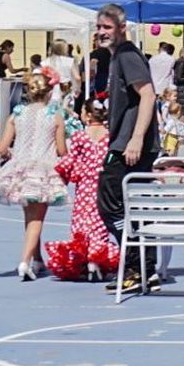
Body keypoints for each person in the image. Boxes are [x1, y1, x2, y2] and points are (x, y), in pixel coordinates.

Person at [95, 5, 161, 295]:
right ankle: (144, 268)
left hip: (129, 145)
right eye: (99, 27)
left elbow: (148, 94)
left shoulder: (128, 55)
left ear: (122, 28)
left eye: (107, 28)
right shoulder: (117, 57)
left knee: (110, 203)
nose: (101, 33)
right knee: (136, 207)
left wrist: (136, 138)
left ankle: (135, 265)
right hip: (123, 140)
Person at [0, 72, 67, 280]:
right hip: (43, 169)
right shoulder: (54, 115)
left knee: (29, 216)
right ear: (49, 92)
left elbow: (1, 147)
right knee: (37, 218)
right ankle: (25, 261)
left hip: (21, 168)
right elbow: (62, 150)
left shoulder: (17, 114)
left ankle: (37, 258)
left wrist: (10, 154)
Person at [43, 101, 119, 281]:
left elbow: (69, 161)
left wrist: (59, 174)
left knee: (82, 222)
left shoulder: (80, 136)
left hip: (84, 187)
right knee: (100, 222)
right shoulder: (109, 137)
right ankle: (96, 259)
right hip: (103, 185)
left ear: (88, 115)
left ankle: (86, 259)